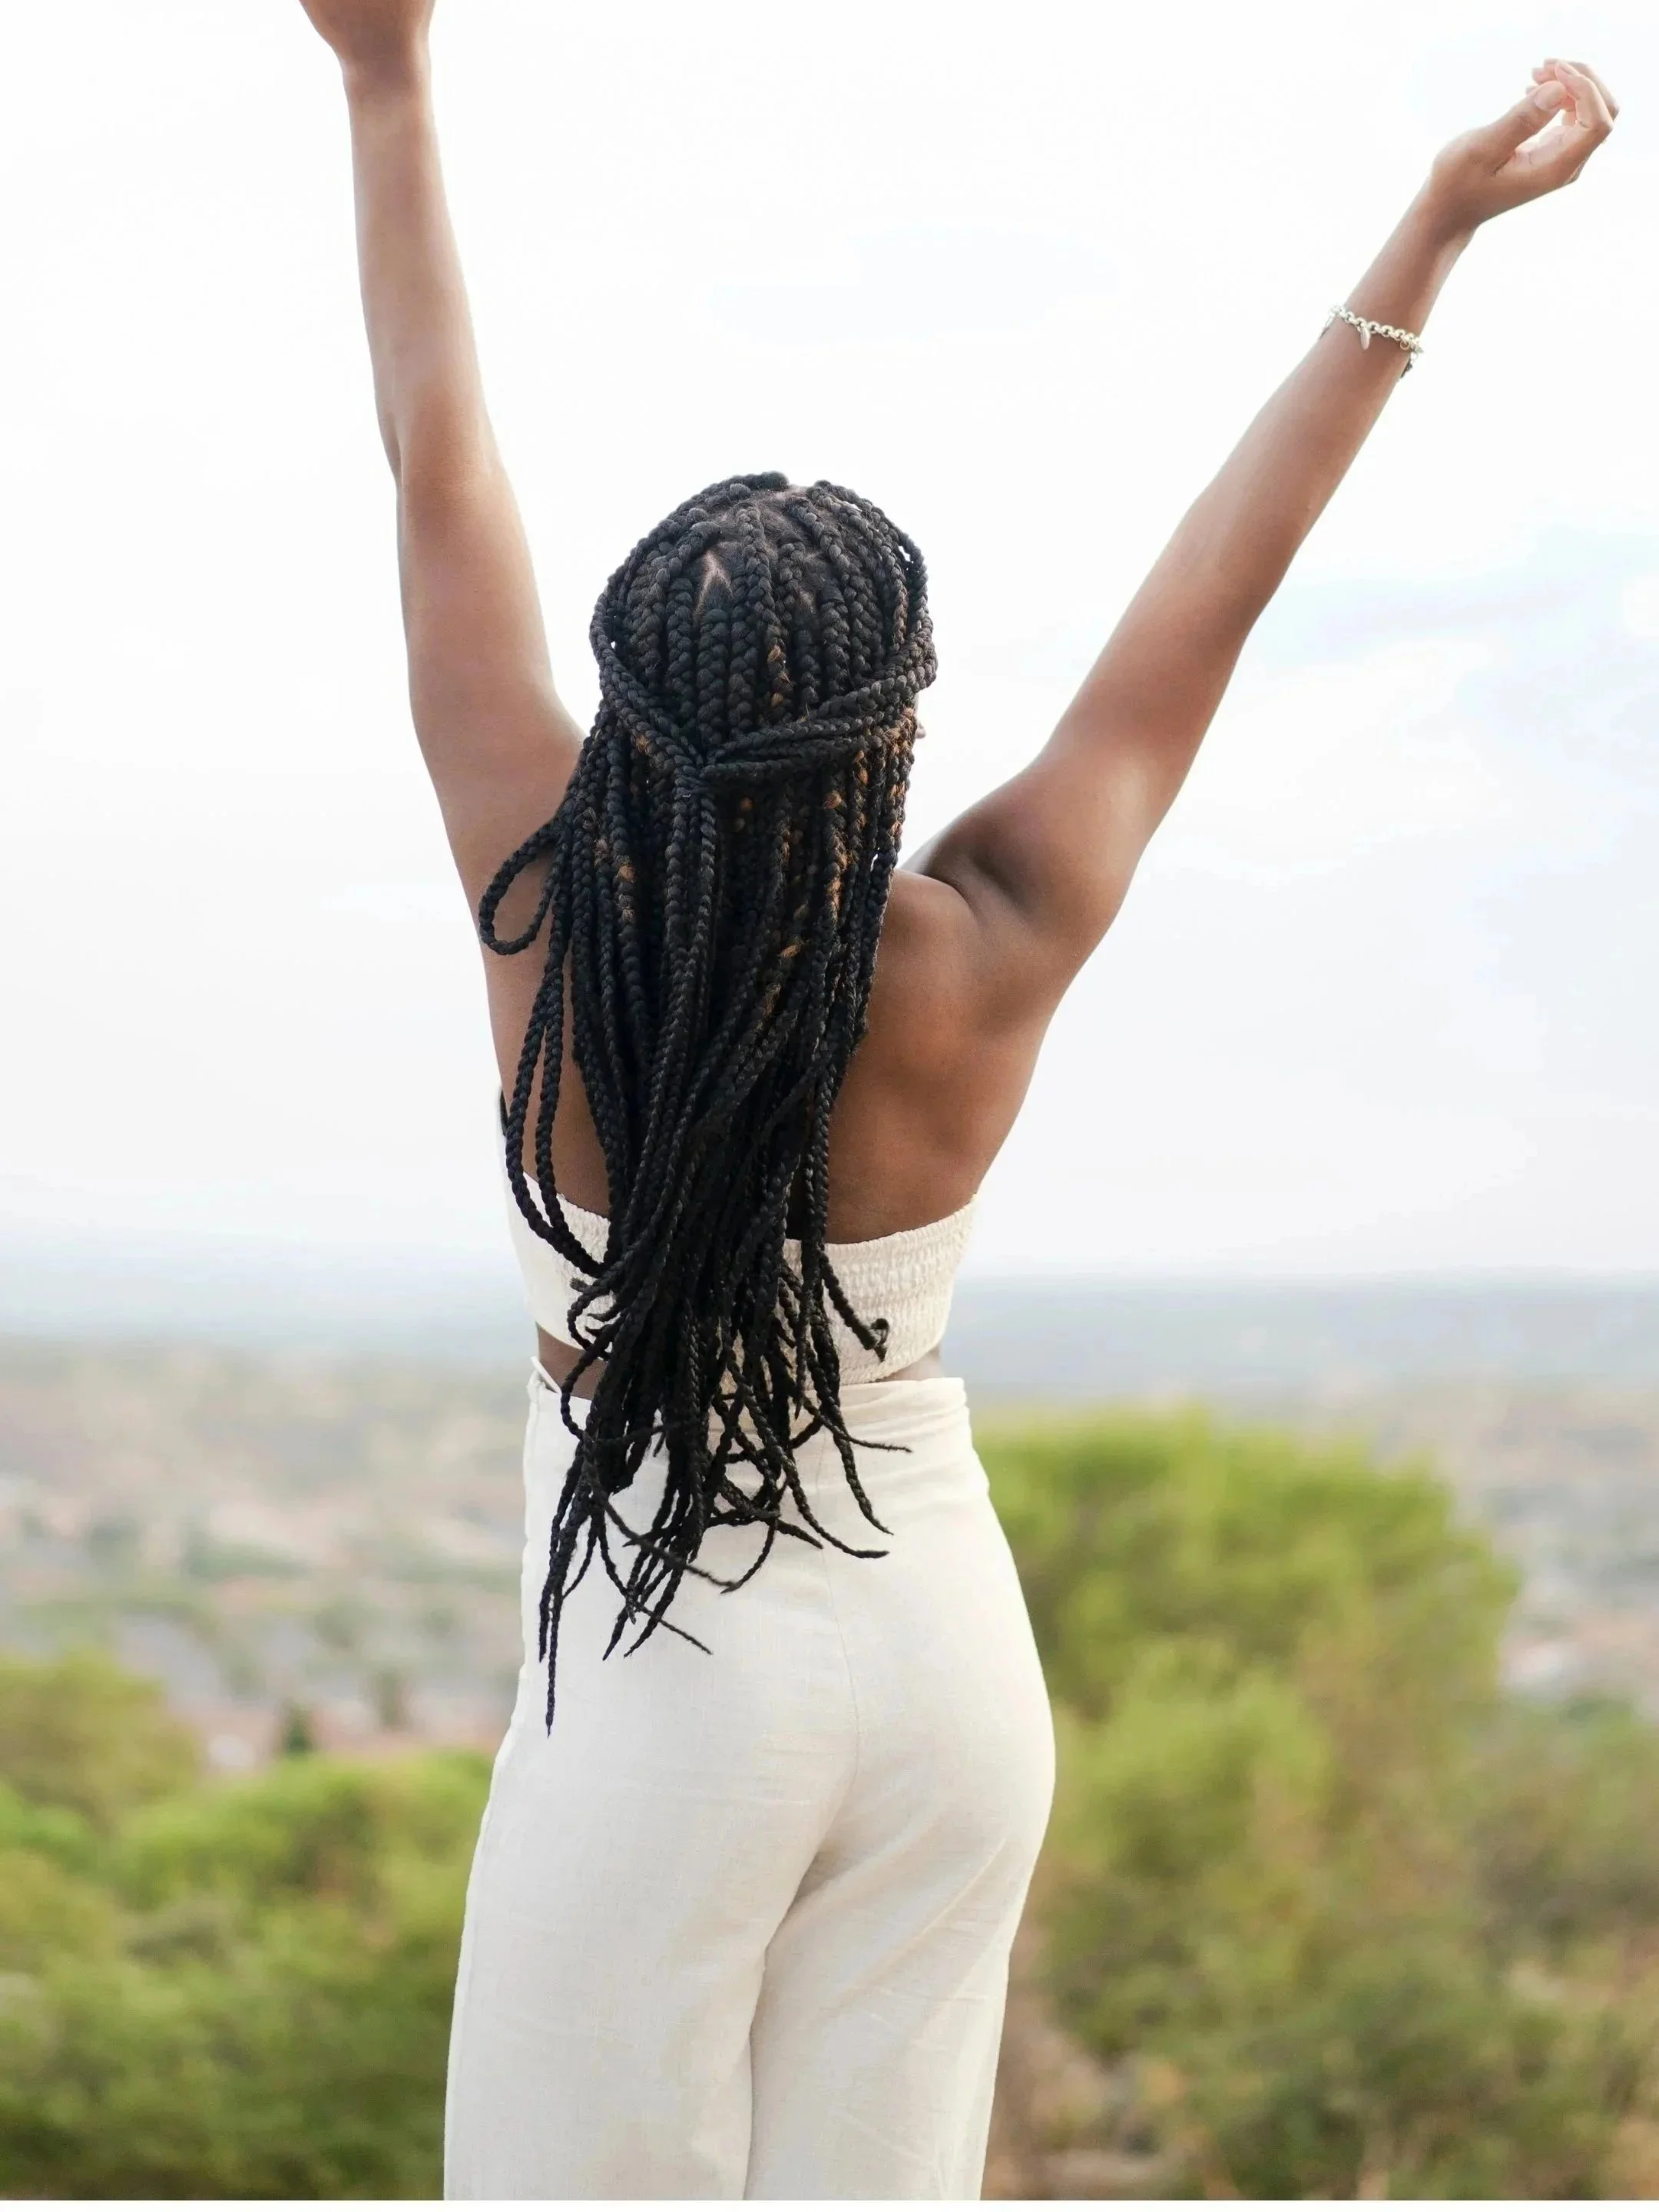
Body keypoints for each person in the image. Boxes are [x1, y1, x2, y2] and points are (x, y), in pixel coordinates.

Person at [293, 3, 1614, 2195]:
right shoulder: (998, 931)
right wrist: (1434, 232)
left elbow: (438, 471)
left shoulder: (548, 909)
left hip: (665, 1680)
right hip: (942, 1670)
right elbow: (1225, 577)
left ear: (630, 721)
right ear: (892, 738)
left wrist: (384, 81)